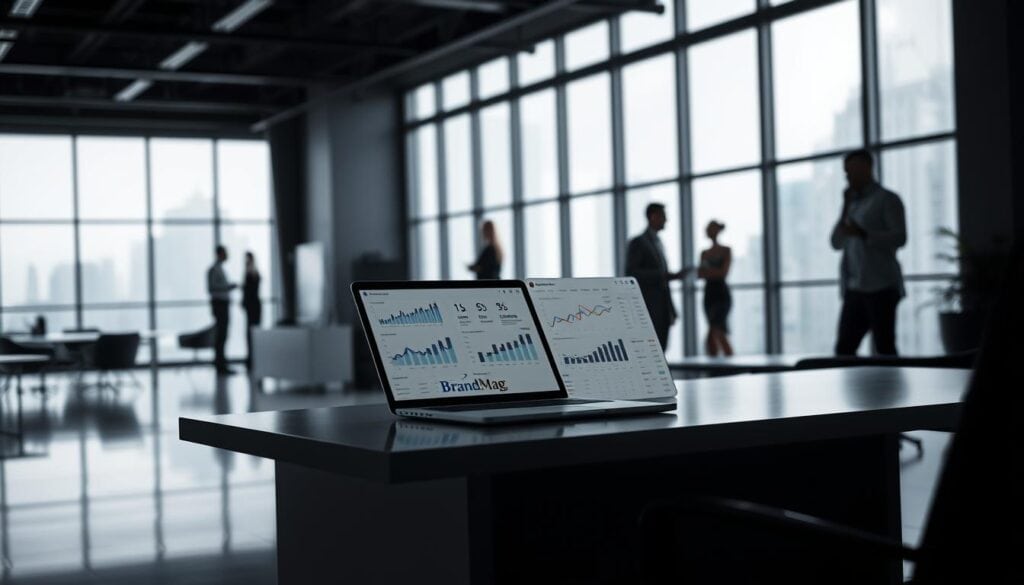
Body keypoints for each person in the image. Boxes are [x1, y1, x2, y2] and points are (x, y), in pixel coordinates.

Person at [830, 149, 907, 356]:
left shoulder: (887, 199)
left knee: (884, 348)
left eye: (851, 171)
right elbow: (836, 243)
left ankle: (889, 388)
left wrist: (863, 234)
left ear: (867, 168)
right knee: (844, 349)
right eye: (846, 172)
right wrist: (845, 206)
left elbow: (900, 238)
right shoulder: (851, 204)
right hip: (855, 287)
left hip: (881, 286)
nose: (848, 177)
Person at [625, 203, 686, 350]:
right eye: (663, 216)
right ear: (653, 217)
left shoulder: (658, 242)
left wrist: (671, 309)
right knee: (651, 351)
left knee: (661, 350)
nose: (666, 220)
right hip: (649, 308)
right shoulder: (639, 242)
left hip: (662, 308)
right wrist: (663, 275)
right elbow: (631, 273)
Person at [698, 220, 733, 356]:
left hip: (721, 294)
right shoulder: (704, 253)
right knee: (715, 331)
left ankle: (728, 365)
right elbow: (701, 274)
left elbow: (723, 273)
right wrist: (714, 272)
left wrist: (709, 272)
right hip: (709, 294)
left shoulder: (726, 250)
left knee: (717, 330)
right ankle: (719, 365)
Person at [207, 245, 237, 375]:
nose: (227, 256)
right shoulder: (213, 270)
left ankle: (221, 364)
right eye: (225, 253)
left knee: (223, 335)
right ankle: (220, 366)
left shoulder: (219, 269)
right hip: (219, 305)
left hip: (223, 305)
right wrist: (228, 286)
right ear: (219, 254)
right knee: (221, 336)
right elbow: (212, 287)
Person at [241, 251, 263, 371]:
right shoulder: (254, 273)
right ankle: (253, 359)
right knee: (252, 332)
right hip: (254, 305)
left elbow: (248, 292)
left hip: (252, 306)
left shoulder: (250, 273)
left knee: (251, 333)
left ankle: (252, 360)